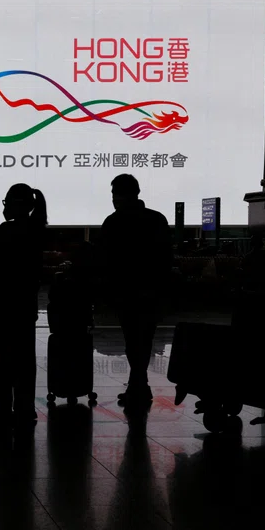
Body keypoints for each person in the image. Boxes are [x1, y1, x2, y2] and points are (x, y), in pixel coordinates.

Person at [97, 174, 172, 406]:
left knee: (132, 339)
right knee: (145, 338)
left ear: (119, 196)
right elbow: (166, 257)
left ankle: (138, 384)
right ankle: (139, 384)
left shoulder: (114, 222)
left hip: (126, 291)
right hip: (152, 290)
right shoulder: (157, 219)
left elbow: (105, 258)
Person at [0, 184, 47, 430]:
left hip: (4, 304)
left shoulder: (7, 231)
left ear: (16, 205)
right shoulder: (37, 229)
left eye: (6, 202)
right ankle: (25, 408)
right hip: (25, 305)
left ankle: (2, 409)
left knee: (2, 360)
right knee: (25, 360)